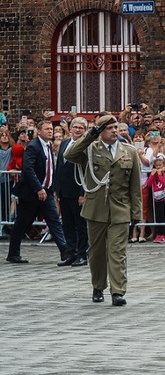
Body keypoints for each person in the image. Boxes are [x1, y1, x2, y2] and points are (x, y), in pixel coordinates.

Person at [65, 114, 142, 306]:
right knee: (97, 252)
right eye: (109, 128)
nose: (114, 131)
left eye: (116, 127)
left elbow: (135, 186)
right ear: (100, 131)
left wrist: (136, 213)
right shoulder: (90, 150)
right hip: (96, 208)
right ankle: (98, 286)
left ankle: (118, 291)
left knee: (117, 252)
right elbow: (69, 154)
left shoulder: (129, 151)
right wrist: (90, 135)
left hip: (120, 208)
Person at [6, 120, 67, 264]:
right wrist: (38, 187)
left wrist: (51, 188)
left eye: (51, 129)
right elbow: (27, 169)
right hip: (31, 193)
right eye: (47, 129)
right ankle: (13, 253)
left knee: (54, 221)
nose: (50, 131)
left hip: (46, 192)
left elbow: (50, 169)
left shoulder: (48, 146)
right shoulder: (33, 146)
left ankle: (65, 252)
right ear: (39, 131)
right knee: (22, 223)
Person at [53, 117, 88, 267]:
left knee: (80, 225)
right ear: (71, 128)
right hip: (64, 190)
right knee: (67, 224)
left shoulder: (87, 146)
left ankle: (82, 254)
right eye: (76, 127)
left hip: (77, 190)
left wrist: (83, 193)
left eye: (81, 128)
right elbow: (59, 166)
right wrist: (56, 188)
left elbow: (87, 171)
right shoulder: (65, 143)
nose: (78, 130)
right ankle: (71, 253)